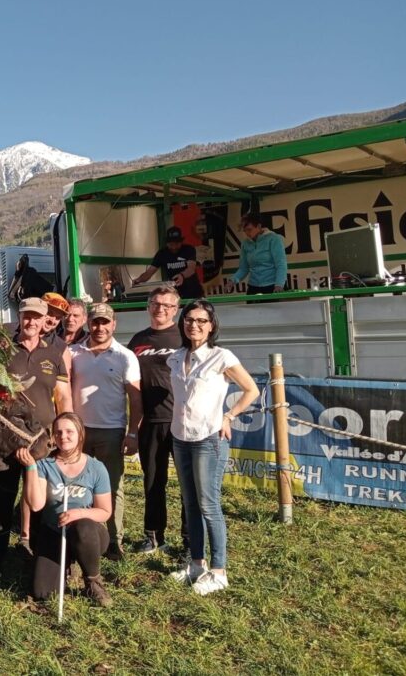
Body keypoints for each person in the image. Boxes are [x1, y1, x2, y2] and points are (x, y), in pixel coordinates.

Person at [167, 298, 259, 595]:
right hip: (180, 437)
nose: (194, 325)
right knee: (189, 503)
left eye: (201, 321)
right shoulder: (176, 356)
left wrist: (229, 416)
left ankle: (219, 571)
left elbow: (251, 389)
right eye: (189, 320)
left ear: (211, 326)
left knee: (209, 504)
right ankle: (197, 564)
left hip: (209, 439)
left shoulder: (221, 357)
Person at [0, 297, 73, 582]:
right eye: (26, 316)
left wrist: (68, 431)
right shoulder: (3, 350)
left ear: (45, 320)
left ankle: (42, 558)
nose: (31, 321)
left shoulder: (54, 355)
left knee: (42, 501)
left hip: (43, 442)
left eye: (36, 317)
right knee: (2, 500)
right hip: (8, 440)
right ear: (19, 317)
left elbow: (63, 396)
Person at [16, 413, 114, 606]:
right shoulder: (45, 465)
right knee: (43, 592)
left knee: (83, 527)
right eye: (58, 432)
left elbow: (105, 511)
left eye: (69, 431)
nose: (63, 436)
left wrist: (79, 513)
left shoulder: (96, 468)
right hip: (54, 531)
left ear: (80, 434)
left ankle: (93, 581)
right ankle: (67, 564)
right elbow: (35, 504)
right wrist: (30, 469)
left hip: (89, 535)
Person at [69, 302, 142, 560]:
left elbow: (135, 398)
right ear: (88, 323)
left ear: (114, 324)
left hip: (111, 431)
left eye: (105, 322)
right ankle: (80, 538)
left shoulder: (125, 356)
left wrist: (132, 433)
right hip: (78, 433)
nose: (100, 327)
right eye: (96, 322)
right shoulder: (73, 353)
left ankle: (114, 542)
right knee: (77, 486)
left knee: (111, 487)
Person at [127, 285, 188, 555]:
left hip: (182, 422)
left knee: (189, 484)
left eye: (167, 305)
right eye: (155, 303)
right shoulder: (138, 340)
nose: (160, 309)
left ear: (176, 310)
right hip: (150, 422)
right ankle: (154, 536)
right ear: (148, 306)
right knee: (152, 481)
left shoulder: (185, 338)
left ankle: (190, 541)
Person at [132, 226, 204, 298]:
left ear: (181, 242)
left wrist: (182, 275)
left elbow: (191, 269)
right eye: (171, 244)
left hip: (194, 292)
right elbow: (149, 272)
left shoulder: (188, 249)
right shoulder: (162, 254)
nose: (174, 247)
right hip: (175, 295)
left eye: (177, 244)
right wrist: (138, 280)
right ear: (167, 243)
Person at [227, 213, 287, 294]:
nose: (247, 233)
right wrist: (232, 280)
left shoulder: (274, 239)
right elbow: (243, 268)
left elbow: (281, 264)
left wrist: (279, 284)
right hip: (253, 286)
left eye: (249, 229)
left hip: (272, 285)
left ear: (258, 226)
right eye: (245, 231)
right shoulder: (245, 243)